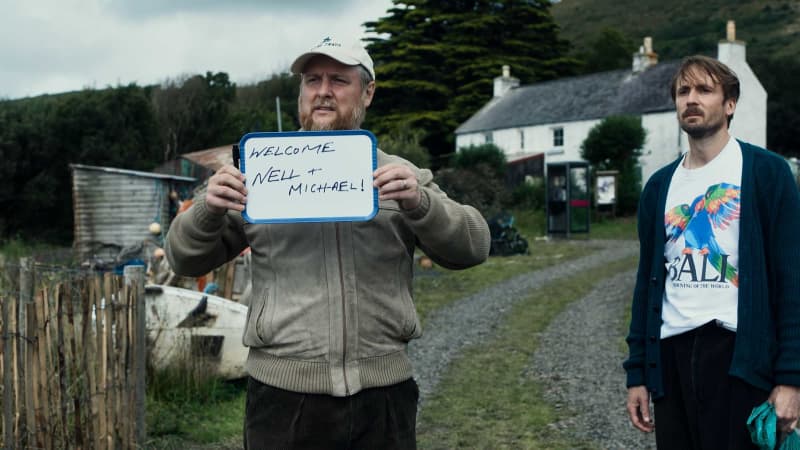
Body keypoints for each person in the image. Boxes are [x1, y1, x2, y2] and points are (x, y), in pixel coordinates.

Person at [164, 36, 491, 450]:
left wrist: (422, 204)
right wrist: (206, 210)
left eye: (339, 80)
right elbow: (183, 258)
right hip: (282, 398)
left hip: (384, 394)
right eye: (312, 80)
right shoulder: (258, 172)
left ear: (367, 92)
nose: (322, 91)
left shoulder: (400, 174)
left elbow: (474, 246)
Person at [624, 54, 800, 449]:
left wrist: (791, 378)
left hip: (739, 358)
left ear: (730, 104)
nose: (691, 99)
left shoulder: (767, 173)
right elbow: (646, 285)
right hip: (669, 358)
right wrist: (637, 374)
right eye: (683, 91)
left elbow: (793, 280)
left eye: (704, 90)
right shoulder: (658, 187)